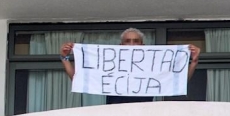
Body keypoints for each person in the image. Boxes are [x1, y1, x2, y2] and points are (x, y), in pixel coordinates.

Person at [59, 28, 200, 81]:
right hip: (115, 115)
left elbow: (178, 81)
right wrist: (65, 58)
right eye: (128, 41)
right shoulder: (109, 63)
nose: (132, 45)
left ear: (142, 46)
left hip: (144, 115)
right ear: (121, 46)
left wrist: (193, 62)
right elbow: (80, 80)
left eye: (136, 41)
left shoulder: (152, 63)